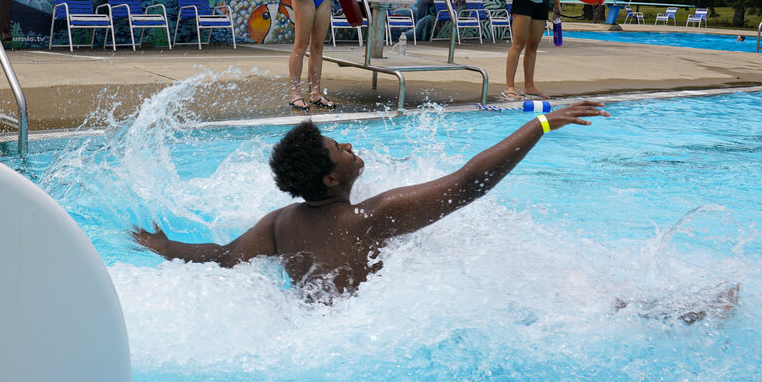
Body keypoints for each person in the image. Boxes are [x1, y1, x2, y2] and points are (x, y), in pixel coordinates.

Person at [132, 101, 610, 299]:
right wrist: (542, 123)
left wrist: (164, 246)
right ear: (332, 180)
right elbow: (470, 184)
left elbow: (221, 257)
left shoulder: (278, 223)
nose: (350, 147)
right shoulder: (370, 218)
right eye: (339, 149)